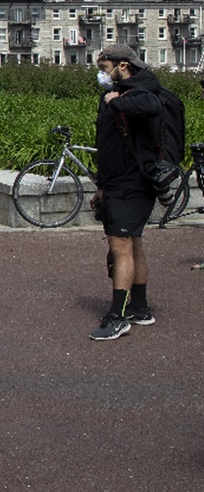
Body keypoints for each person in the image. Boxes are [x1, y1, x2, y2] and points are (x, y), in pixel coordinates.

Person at [89, 44, 163, 340]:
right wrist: (102, 187)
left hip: (131, 182)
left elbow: (150, 106)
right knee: (132, 243)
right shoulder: (125, 91)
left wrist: (115, 101)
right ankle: (141, 307)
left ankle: (117, 316)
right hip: (121, 181)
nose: (101, 75)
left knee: (120, 247)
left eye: (104, 68)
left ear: (122, 65)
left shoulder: (140, 90)